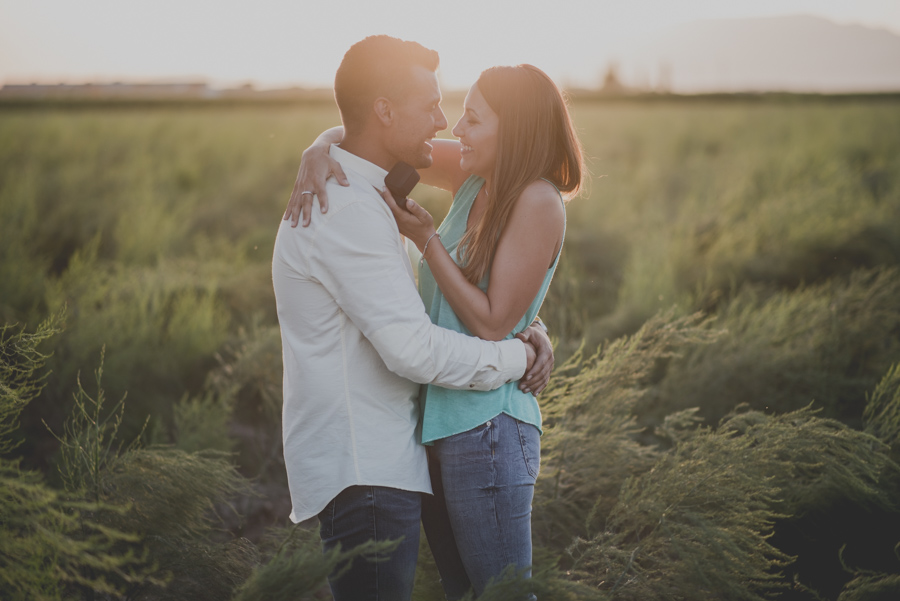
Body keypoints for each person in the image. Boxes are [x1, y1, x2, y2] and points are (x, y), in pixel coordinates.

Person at [272, 35, 553, 601]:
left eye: (468, 116)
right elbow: (416, 349)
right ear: (384, 109)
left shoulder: (362, 186)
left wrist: (530, 330)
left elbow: (496, 310)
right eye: (437, 106)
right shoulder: (347, 205)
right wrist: (517, 354)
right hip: (383, 456)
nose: (448, 123)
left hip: (436, 439)